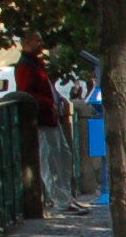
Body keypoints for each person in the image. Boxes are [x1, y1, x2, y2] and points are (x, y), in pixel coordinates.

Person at [12, 33, 81, 215]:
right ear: (27, 42)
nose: (41, 44)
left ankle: (67, 197)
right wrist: (48, 103)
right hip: (42, 119)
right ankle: (61, 201)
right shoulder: (25, 66)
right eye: (38, 41)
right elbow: (26, 93)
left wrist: (56, 101)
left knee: (63, 157)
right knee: (50, 162)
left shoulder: (36, 63)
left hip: (51, 118)